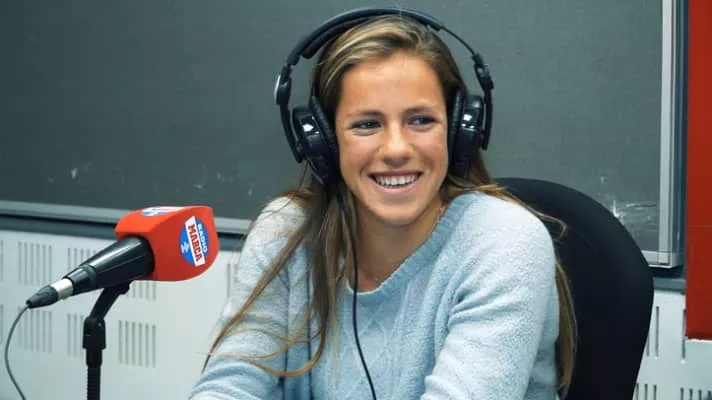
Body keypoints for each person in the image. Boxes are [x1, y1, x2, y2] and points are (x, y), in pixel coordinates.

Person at [190, 8, 576, 400]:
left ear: (459, 130)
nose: (395, 149)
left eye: (421, 120)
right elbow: (228, 386)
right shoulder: (287, 232)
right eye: (367, 124)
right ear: (322, 142)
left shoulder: (504, 243)